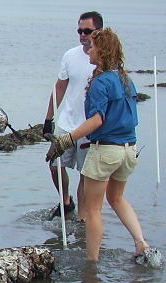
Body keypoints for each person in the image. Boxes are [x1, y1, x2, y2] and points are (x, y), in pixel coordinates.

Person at [46, 28, 151, 261]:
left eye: (92, 47)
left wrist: (67, 138)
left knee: (93, 210)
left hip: (106, 151)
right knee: (116, 198)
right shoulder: (126, 79)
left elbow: (97, 119)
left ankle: (91, 263)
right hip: (129, 149)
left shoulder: (100, 82)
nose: (89, 51)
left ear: (102, 52)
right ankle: (141, 243)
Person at [43, 11, 104, 221]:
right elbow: (59, 89)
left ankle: (82, 220)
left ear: (99, 31)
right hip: (66, 124)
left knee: (85, 177)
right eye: (79, 30)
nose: (82, 35)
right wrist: (48, 120)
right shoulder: (70, 55)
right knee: (54, 167)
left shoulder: (104, 60)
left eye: (87, 31)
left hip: (90, 128)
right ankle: (66, 201)